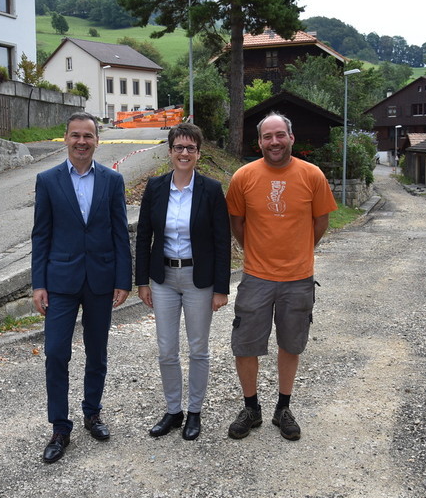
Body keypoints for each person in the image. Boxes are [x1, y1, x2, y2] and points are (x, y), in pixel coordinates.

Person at [224, 112, 337, 441]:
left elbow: (320, 223)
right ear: (258, 142)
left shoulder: (312, 175)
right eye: (267, 137)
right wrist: (257, 255)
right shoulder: (243, 177)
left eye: (279, 135)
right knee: (245, 346)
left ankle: (283, 408)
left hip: (298, 279)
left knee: (291, 344)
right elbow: (237, 224)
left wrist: (300, 252)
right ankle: (251, 408)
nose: (274, 142)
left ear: (291, 138)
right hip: (256, 277)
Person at [31, 112, 132, 463]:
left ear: (97, 141)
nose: (81, 142)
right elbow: (41, 235)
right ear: (65, 138)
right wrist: (38, 283)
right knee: (56, 352)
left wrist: (124, 279)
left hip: (102, 280)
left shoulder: (111, 180)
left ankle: (92, 413)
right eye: (75, 135)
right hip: (60, 281)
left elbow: (121, 232)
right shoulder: (47, 180)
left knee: (97, 351)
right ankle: (60, 427)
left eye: (88, 136)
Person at [135, 123, 231, 441]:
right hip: (163, 278)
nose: (184, 153)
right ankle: (173, 411)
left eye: (190, 148)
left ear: (198, 154)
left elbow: (222, 242)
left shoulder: (211, 190)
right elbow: (144, 236)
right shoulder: (156, 187)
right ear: (170, 151)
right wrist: (142, 282)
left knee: (198, 349)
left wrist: (221, 288)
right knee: (166, 350)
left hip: (197, 280)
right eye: (179, 147)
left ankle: (194, 412)